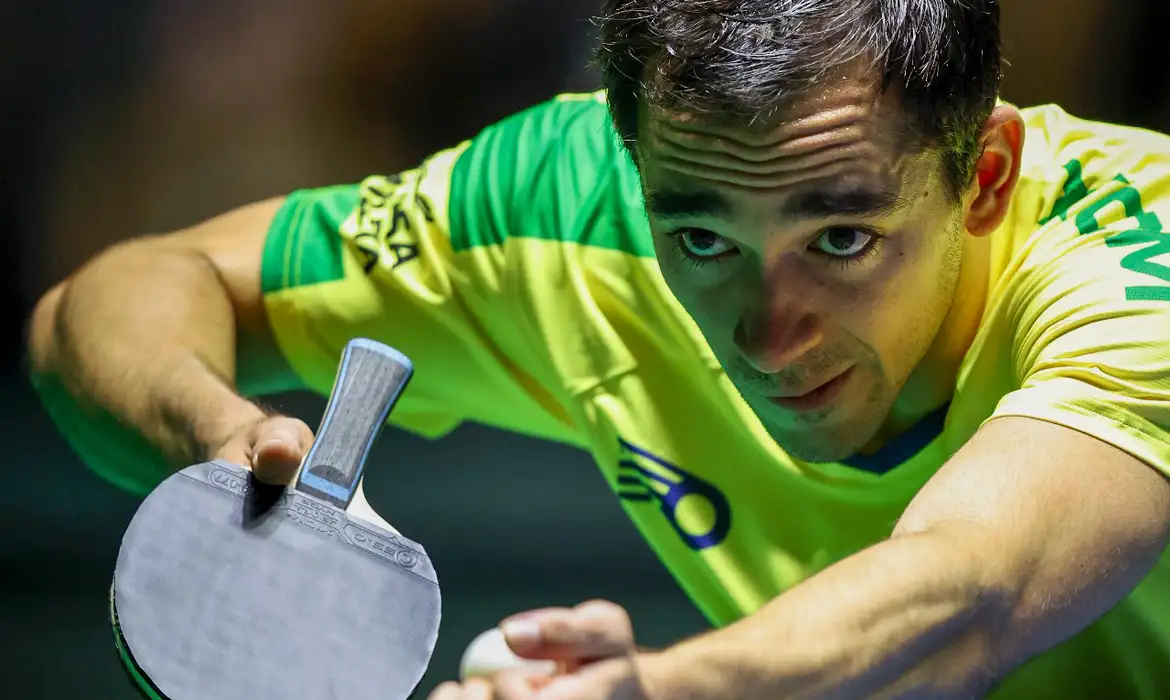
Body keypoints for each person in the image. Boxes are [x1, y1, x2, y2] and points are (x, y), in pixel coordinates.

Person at [25, 0, 1170, 697]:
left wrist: (663, 690)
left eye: (841, 238)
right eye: (701, 239)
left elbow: (972, 594)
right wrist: (224, 440)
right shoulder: (560, 201)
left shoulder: (1133, 259)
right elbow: (102, 305)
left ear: (984, 176)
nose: (769, 333)